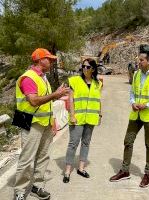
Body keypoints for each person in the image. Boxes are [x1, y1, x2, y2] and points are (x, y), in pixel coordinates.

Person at [14, 48, 70, 200]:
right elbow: (33, 101)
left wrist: (52, 121)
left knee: (43, 156)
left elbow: (46, 103)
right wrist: (56, 94)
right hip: (30, 122)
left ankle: (36, 186)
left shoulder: (43, 77)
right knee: (27, 158)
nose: (52, 62)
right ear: (40, 60)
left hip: (44, 122)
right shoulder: (29, 78)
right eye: (49, 59)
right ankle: (19, 191)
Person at [109, 51, 149, 188]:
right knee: (128, 141)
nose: (138, 62)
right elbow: (132, 93)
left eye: (141, 60)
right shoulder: (136, 74)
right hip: (136, 114)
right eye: (138, 60)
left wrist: (147, 105)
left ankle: (147, 173)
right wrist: (133, 102)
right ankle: (125, 170)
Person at [63, 58, 103, 183]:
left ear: (93, 69)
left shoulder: (98, 84)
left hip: (91, 118)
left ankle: (81, 168)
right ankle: (67, 171)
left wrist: (99, 115)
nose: (84, 69)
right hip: (77, 119)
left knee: (86, 143)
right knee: (73, 144)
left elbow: (98, 100)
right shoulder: (74, 81)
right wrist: (72, 115)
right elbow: (71, 100)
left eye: (87, 67)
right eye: (83, 66)